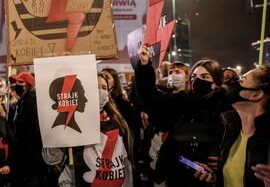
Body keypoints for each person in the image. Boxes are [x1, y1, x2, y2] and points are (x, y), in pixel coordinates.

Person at [135, 44, 231, 187]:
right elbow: (151, 99)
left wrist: (223, 159)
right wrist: (144, 66)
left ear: (216, 82)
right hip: (178, 173)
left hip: (214, 177)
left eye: (205, 76)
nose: (197, 81)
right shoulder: (182, 100)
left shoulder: (227, 107)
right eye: (194, 76)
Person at [43, 72, 134, 187]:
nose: (101, 91)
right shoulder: (74, 121)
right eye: (95, 87)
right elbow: (51, 158)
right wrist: (60, 134)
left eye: (104, 88)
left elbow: (126, 162)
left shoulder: (117, 121)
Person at [195, 66, 270, 187]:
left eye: (242, 80)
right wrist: (216, 176)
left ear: (256, 94)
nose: (233, 83)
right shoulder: (230, 129)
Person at [11, 72, 49, 187]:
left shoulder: (31, 102)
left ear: (28, 85)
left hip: (31, 154)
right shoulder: (23, 101)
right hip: (28, 153)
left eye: (20, 83)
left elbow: (33, 130)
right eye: (16, 83)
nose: (16, 85)